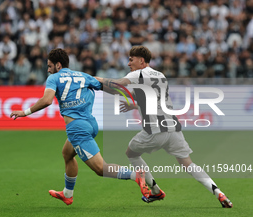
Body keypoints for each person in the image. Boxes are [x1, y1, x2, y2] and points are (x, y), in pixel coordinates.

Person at [95, 45, 233, 208]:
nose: (128, 64)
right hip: (173, 128)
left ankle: (155, 190)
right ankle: (219, 193)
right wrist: (135, 104)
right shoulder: (160, 75)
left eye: (131, 60)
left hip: (154, 130)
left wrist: (94, 79)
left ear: (141, 60)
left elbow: (117, 84)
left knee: (131, 153)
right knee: (188, 163)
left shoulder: (138, 73)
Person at [10, 48, 149, 205]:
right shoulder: (83, 76)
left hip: (77, 128)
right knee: (67, 154)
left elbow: (47, 100)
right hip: (91, 123)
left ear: (58, 65)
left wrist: (25, 112)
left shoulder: (54, 78)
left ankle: (135, 175)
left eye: (49, 66)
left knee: (100, 169)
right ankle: (67, 194)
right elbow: (107, 87)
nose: (48, 70)